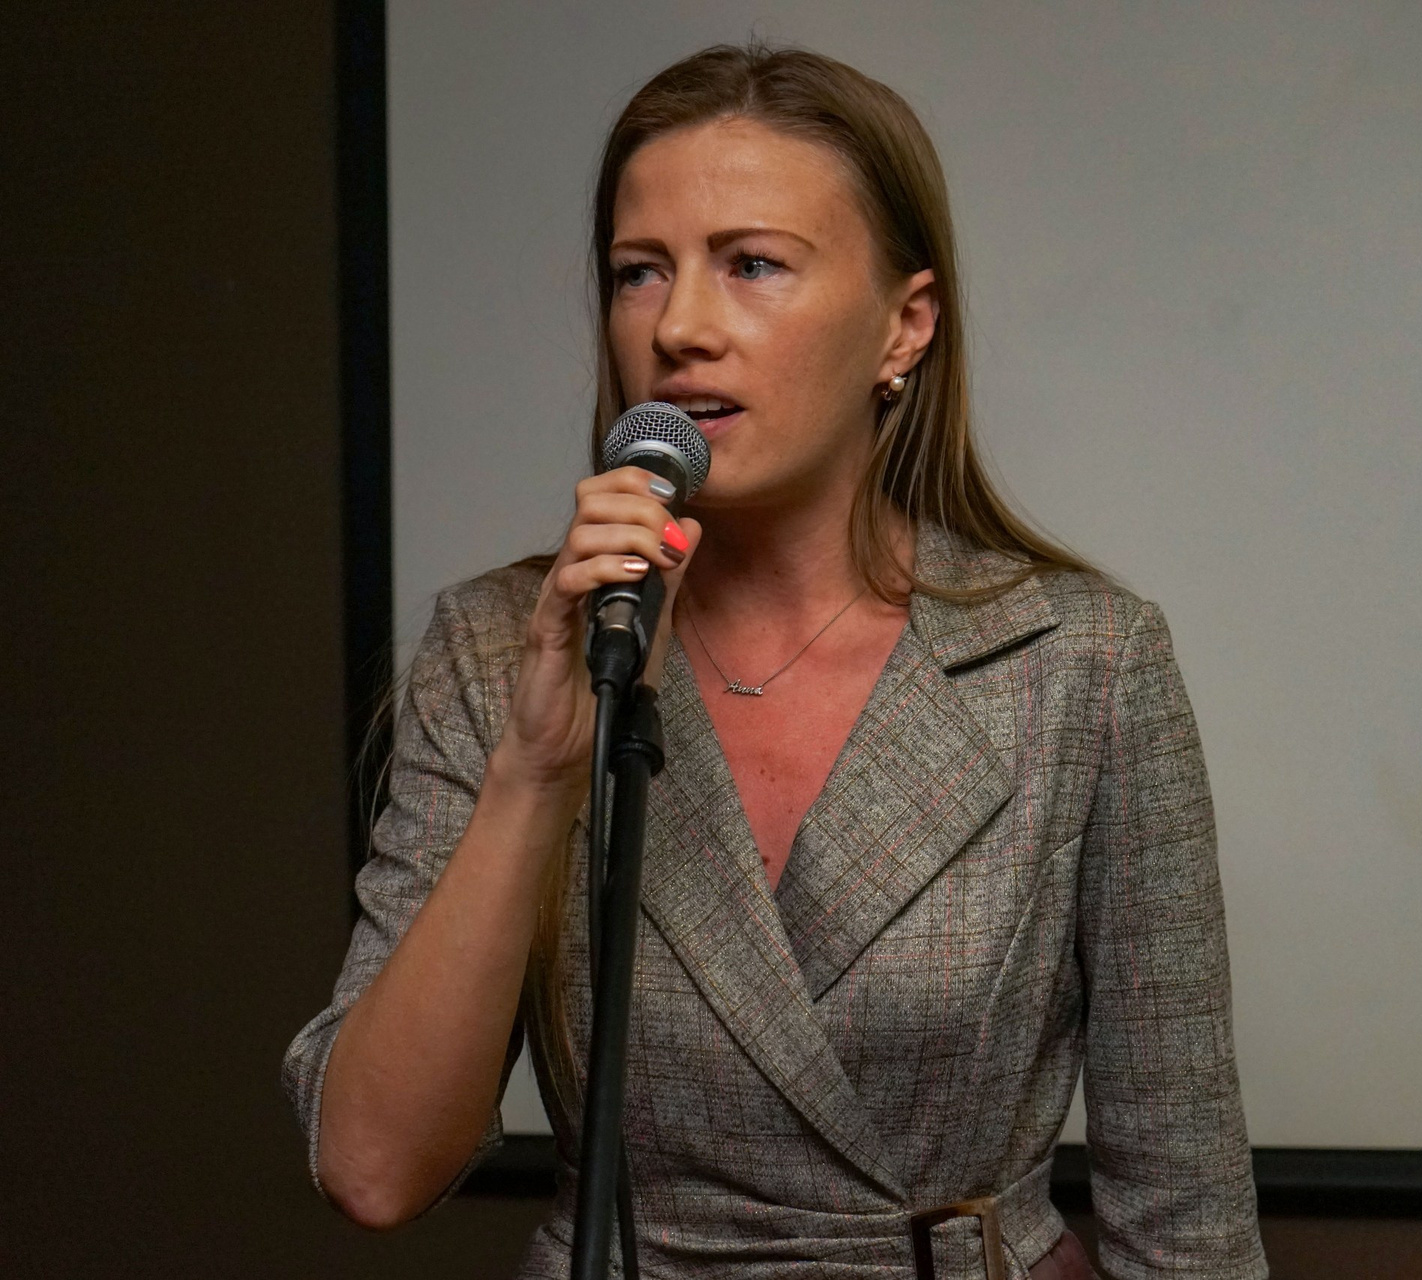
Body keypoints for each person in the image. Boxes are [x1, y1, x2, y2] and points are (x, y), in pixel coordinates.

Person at [283, 43, 1265, 1280]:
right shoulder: (501, 650)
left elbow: (1188, 1221)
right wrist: (535, 773)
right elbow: (373, 1166)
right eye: (640, 271)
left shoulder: (1084, 666)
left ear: (903, 325)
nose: (679, 327)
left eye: (751, 264)